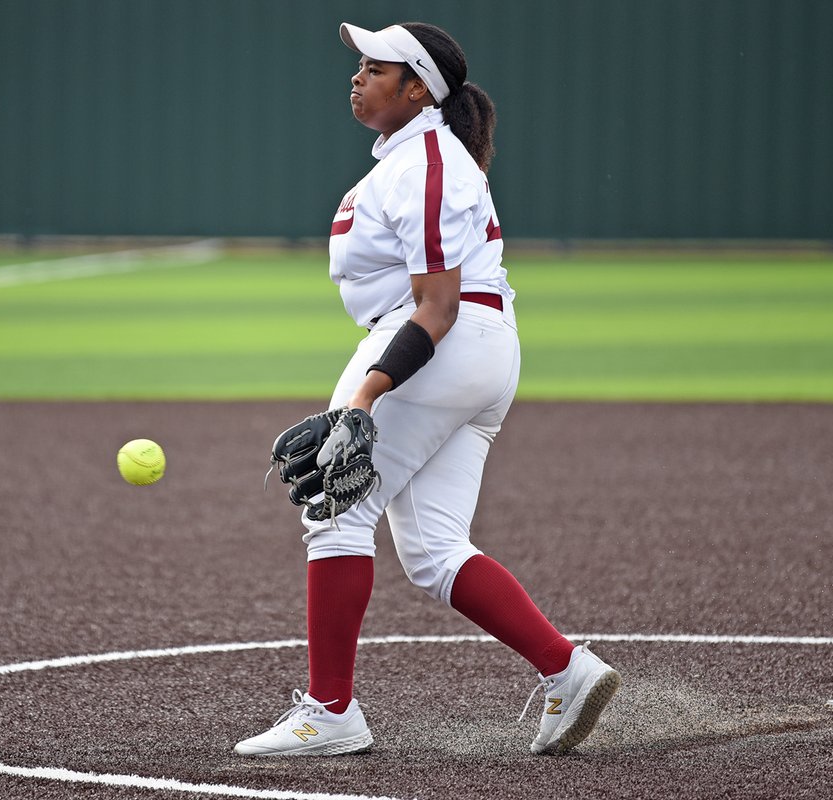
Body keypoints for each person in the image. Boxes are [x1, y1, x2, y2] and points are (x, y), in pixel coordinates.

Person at [235, 21, 620, 757]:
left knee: (336, 515)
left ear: (418, 89)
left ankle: (330, 712)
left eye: (375, 68)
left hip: (435, 343)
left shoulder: (428, 165)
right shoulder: (415, 159)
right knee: (434, 548)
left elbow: (435, 308)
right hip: (475, 350)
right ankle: (568, 670)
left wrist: (364, 398)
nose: (356, 77)